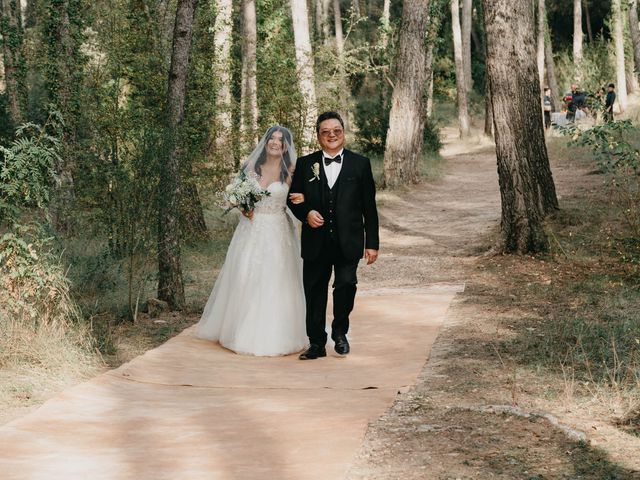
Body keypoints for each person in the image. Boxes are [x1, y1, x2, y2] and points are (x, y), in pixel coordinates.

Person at [195, 125, 308, 356]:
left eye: (281, 140)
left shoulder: (292, 171)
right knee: (245, 275)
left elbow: (301, 198)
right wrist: (242, 208)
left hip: (277, 230)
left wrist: (305, 198)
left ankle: (278, 333)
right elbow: (237, 195)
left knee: (276, 278)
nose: (276, 143)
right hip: (251, 230)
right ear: (265, 142)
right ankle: (238, 329)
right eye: (272, 139)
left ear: (286, 146)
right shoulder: (251, 167)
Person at [287, 111, 379, 360]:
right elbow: (292, 198)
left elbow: (369, 208)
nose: (331, 135)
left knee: (346, 285)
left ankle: (340, 332)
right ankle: (316, 343)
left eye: (336, 130)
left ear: (343, 133)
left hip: (348, 240)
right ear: (318, 136)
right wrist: (306, 213)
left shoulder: (360, 164)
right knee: (314, 291)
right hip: (316, 241)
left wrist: (372, 243)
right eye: (326, 131)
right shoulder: (306, 164)